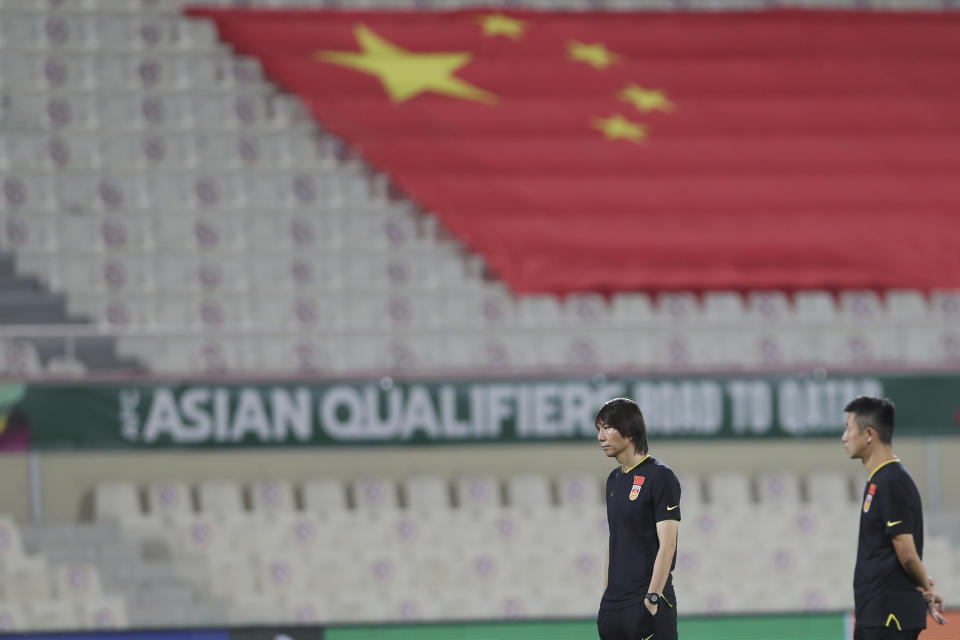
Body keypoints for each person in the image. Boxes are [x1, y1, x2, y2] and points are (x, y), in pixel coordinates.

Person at [842, 396, 948, 640]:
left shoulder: (891, 482)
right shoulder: (882, 479)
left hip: (889, 617)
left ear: (869, 434)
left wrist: (928, 589)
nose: (844, 437)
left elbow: (907, 553)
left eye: (848, 428)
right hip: (880, 613)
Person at [595, 397, 680, 640]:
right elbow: (615, 540)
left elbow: (668, 545)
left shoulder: (660, 476)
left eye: (608, 428)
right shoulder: (613, 480)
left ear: (630, 430)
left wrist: (652, 598)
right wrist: (606, 597)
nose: (601, 437)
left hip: (645, 601)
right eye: (599, 429)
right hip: (614, 607)